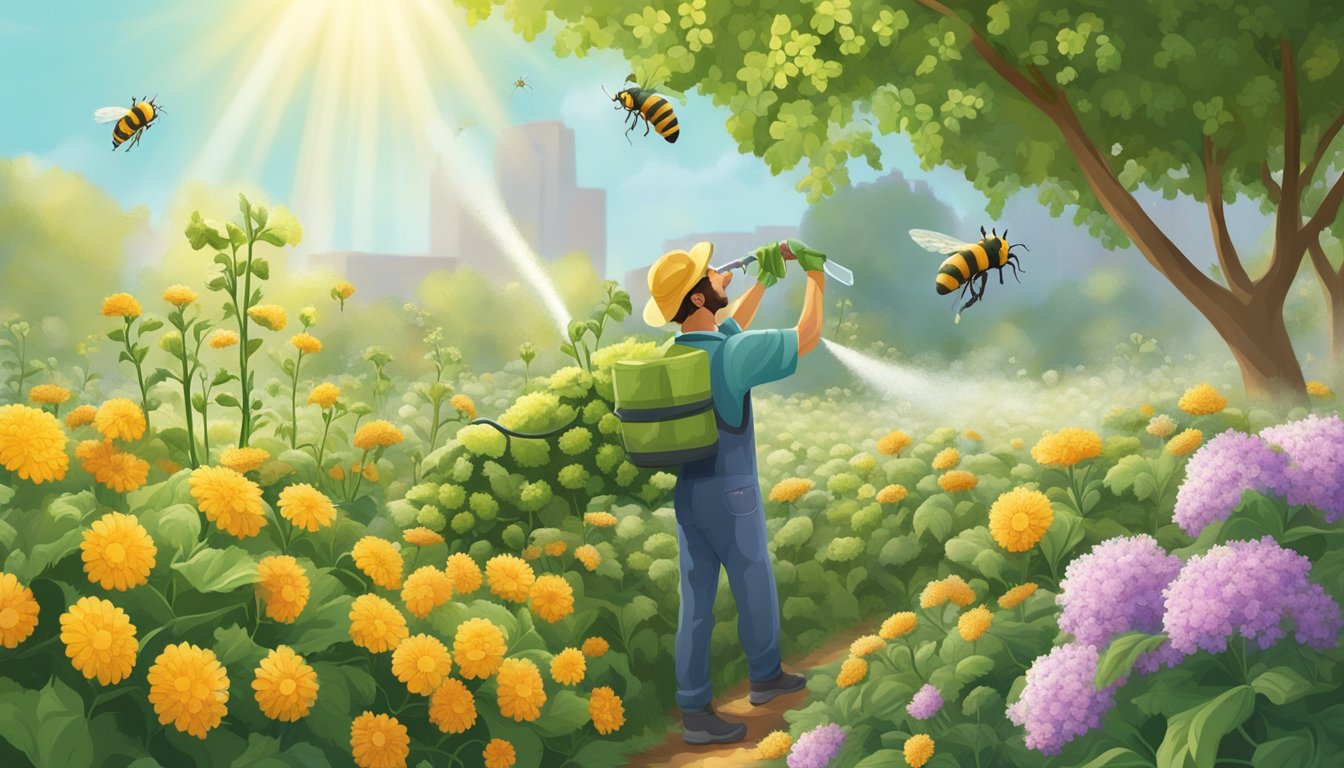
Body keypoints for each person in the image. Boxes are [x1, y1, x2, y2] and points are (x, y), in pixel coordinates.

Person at [642, 238, 828, 745]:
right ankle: (765, 677)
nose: (717, 276)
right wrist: (815, 274)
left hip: (690, 496)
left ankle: (695, 709)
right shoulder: (732, 356)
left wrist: (761, 281)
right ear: (698, 299)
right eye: (709, 277)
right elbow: (805, 335)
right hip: (733, 492)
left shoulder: (675, 355)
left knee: (696, 602)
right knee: (753, 581)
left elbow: (727, 333)